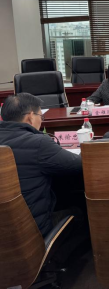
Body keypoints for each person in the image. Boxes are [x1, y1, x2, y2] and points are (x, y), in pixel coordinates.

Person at [0, 93, 82, 236]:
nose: (41, 121)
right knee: (79, 211)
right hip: (31, 233)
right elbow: (80, 165)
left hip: (5, 234)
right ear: (31, 117)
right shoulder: (38, 144)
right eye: (41, 116)